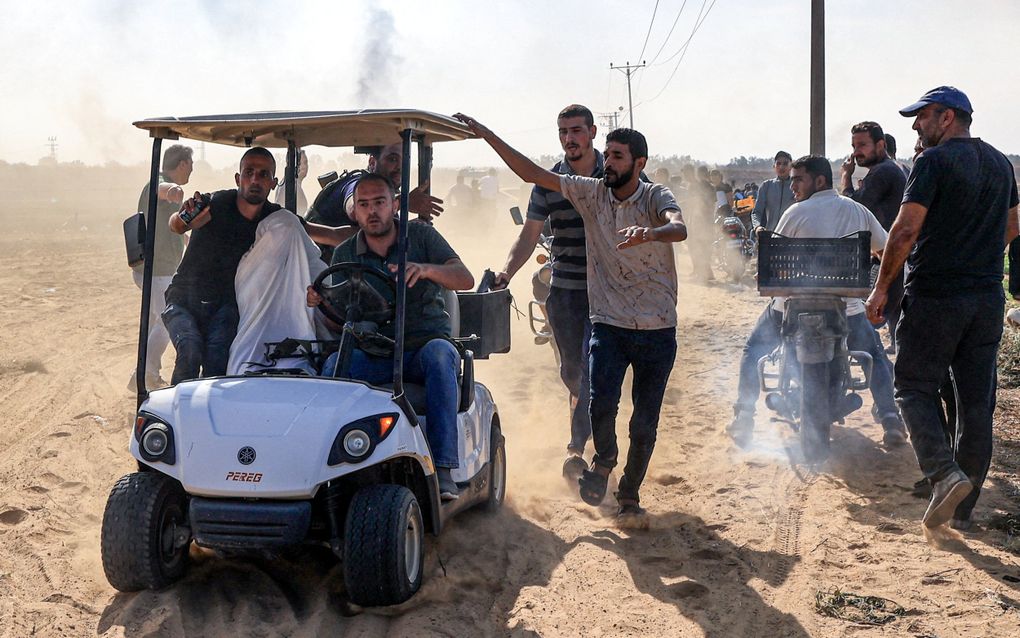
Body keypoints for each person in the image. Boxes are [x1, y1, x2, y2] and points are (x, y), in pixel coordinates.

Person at [455, 112, 687, 521]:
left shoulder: (646, 194)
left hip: (654, 323)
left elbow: (677, 224)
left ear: (636, 162)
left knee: (644, 419)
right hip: (598, 311)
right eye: (562, 131)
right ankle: (594, 458)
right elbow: (531, 187)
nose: (610, 163)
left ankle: (626, 491)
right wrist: (488, 133)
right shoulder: (588, 191)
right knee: (590, 390)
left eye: (618, 156)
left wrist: (649, 233)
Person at [867, 86, 1019, 530]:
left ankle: (941, 473)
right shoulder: (1000, 163)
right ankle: (961, 511)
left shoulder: (931, 161)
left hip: (936, 295)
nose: (916, 125)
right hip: (987, 298)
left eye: (922, 116)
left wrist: (881, 290)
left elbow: (904, 231)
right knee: (976, 405)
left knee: (912, 387)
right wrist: (975, 253)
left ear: (947, 117)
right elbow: (1012, 226)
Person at [307, 173, 474, 501]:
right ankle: (329, 468)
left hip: (422, 350)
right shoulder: (345, 253)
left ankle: (443, 468)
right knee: (331, 369)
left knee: (442, 355)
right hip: (376, 354)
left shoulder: (422, 237)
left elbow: (464, 278)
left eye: (379, 203)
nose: (372, 211)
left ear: (395, 204)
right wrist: (320, 301)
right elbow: (342, 316)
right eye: (364, 204)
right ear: (354, 211)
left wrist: (426, 270)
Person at [729, 155, 905, 450]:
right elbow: (885, 247)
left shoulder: (795, 213)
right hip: (845, 311)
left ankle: (744, 416)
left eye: (799, 179)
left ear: (819, 181)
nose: (793, 185)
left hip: (791, 310)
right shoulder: (857, 211)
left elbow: (775, 259)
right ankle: (890, 418)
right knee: (874, 354)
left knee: (753, 349)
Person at [164, 147, 351, 385]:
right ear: (238, 178)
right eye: (249, 172)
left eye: (263, 174)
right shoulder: (216, 204)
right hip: (185, 299)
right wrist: (184, 218)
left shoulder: (276, 220)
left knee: (218, 363)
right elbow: (177, 225)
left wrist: (381, 230)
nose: (255, 179)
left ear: (273, 183)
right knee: (189, 351)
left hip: (226, 306)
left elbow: (329, 235)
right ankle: (176, 414)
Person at [490, 104, 603, 478]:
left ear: (592, 132)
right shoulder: (548, 181)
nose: (569, 138)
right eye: (563, 132)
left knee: (592, 370)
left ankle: (577, 449)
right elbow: (529, 233)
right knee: (571, 371)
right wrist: (506, 271)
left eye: (576, 130)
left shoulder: (616, 172)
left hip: (608, 292)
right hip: (565, 291)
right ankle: (585, 425)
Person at [305, 142, 444, 261]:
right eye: (393, 159)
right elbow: (354, 209)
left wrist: (409, 229)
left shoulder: (390, 197)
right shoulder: (355, 184)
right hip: (323, 277)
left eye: (405, 160)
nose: (401, 167)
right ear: (372, 163)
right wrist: (405, 202)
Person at [840, 121, 907, 353]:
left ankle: (880, 378)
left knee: (866, 321)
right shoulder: (888, 170)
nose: (856, 152)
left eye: (862, 145)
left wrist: (845, 178)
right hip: (891, 253)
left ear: (880, 145)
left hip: (889, 255)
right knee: (891, 317)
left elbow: (853, 208)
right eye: (854, 146)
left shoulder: (882, 172)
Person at [130, 144, 192, 388]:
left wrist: (185, 239)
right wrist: (174, 190)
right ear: (183, 164)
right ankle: (144, 375)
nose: (191, 171)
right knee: (167, 322)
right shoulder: (157, 182)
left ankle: (144, 373)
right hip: (157, 270)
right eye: (191, 166)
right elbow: (161, 190)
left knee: (159, 320)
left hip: (158, 269)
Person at [751, 151, 794, 233]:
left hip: (791, 237)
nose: (781, 167)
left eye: (785, 164)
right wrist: (757, 227)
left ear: (790, 167)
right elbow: (756, 212)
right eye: (778, 163)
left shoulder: (796, 186)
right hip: (771, 236)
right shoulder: (766, 186)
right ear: (774, 166)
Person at [274, 148, 309, 216]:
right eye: (301, 163)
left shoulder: (288, 183)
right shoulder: (289, 186)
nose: (304, 167)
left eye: (306, 162)